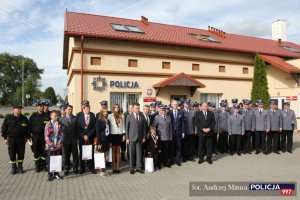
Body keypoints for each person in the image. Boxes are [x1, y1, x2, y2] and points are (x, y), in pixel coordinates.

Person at [1, 105, 30, 174]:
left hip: (21, 139)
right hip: (11, 139)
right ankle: (14, 168)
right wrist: (5, 138)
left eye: (20, 109)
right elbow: (3, 129)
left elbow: (28, 129)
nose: (20, 110)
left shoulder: (24, 118)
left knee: (21, 154)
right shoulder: (8, 118)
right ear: (13, 110)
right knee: (12, 153)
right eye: (18, 109)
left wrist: (27, 137)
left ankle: (20, 168)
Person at [126, 103, 147, 174]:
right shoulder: (129, 116)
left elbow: (144, 128)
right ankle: (131, 168)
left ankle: (138, 168)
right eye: (136, 108)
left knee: (139, 154)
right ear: (133, 109)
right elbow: (126, 128)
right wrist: (127, 138)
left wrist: (144, 137)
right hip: (131, 138)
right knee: (131, 153)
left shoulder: (142, 116)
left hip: (140, 138)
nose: (137, 109)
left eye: (138, 108)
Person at [76, 100, 97, 174]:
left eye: (89, 107)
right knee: (82, 153)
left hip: (90, 138)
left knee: (90, 152)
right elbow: (78, 127)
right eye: (87, 108)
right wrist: (83, 135)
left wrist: (88, 135)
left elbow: (94, 127)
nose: (88, 109)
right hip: (82, 138)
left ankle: (91, 168)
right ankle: (82, 168)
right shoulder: (79, 115)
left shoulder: (92, 115)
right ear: (83, 108)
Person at [29, 100, 50, 172]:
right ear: (37, 107)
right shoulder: (33, 116)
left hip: (44, 137)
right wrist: (29, 136)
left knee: (44, 152)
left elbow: (50, 127)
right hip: (35, 137)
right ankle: (37, 166)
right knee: (36, 151)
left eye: (42, 106)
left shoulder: (47, 116)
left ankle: (44, 166)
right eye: (39, 106)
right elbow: (29, 127)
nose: (41, 107)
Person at [59, 104, 79, 175]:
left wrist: (77, 138)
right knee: (66, 156)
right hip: (65, 141)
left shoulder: (75, 118)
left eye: (71, 109)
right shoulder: (61, 119)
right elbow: (59, 130)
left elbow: (77, 129)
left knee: (75, 155)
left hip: (74, 140)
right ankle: (66, 168)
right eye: (69, 109)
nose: (70, 110)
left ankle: (75, 168)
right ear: (65, 110)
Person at [44, 111, 64, 181]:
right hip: (50, 146)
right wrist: (51, 144)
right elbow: (46, 136)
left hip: (58, 145)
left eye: (57, 116)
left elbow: (62, 134)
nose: (56, 117)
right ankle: (50, 174)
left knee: (57, 160)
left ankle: (56, 174)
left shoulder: (59, 124)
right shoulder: (48, 124)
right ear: (51, 116)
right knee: (50, 160)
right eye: (55, 116)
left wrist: (60, 141)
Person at [108, 104, 125, 173]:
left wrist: (123, 134)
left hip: (119, 134)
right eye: (115, 107)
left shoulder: (122, 115)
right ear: (113, 108)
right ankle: (114, 167)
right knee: (113, 152)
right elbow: (108, 127)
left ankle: (118, 167)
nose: (117, 108)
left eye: (118, 107)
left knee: (118, 151)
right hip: (112, 134)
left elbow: (123, 126)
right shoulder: (110, 116)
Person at [169, 99, 184, 166]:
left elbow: (183, 123)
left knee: (179, 146)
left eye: (176, 104)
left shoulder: (181, 112)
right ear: (172, 105)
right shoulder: (169, 112)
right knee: (172, 147)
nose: (175, 105)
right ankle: (172, 160)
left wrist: (183, 132)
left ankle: (177, 160)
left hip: (179, 132)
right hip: (171, 133)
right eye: (174, 104)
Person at [96, 107, 111, 177]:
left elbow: (109, 132)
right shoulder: (99, 121)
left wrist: (110, 141)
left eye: (106, 112)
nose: (105, 113)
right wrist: (98, 143)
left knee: (105, 156)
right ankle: (101, 171)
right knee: (101, 156)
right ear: (101, 112)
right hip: (101, 140)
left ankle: (104, 169)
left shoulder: (107, 121)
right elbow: (98, 133)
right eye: (104, 112)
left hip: (107, 140)